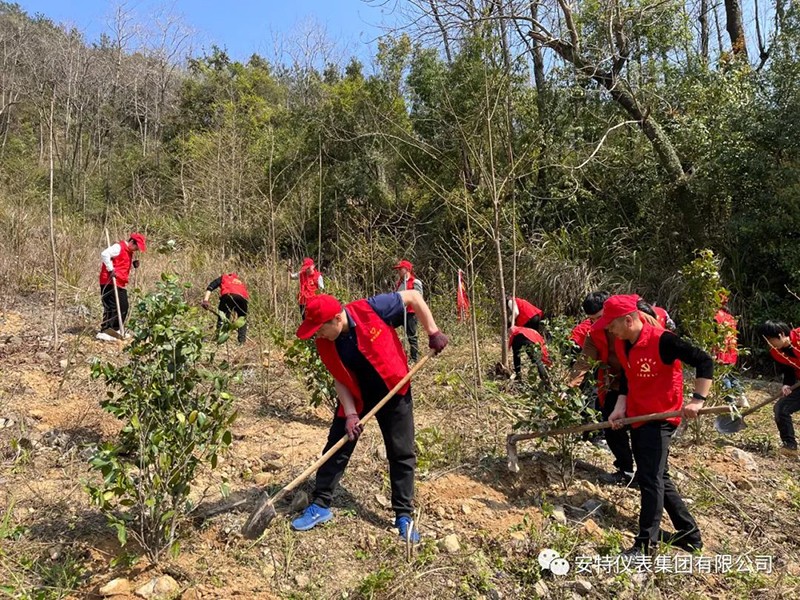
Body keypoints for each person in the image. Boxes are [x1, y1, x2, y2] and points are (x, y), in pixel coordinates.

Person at [291, 290, 449, 542]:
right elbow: (339, 378)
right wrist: (351, 415)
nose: (317, 335)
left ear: (336, 320)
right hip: (357, 394)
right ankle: (321, 504)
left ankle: (403, 516)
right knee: (337, 445)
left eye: (319, 329)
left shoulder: (371, 308)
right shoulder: (325, 341)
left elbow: (415, 297)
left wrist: (433, 331)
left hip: (394, 389)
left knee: (401, 451)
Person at [599, 294, 712, 555]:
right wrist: (619, 408)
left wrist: (697, 400)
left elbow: (704, 361)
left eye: (612, 325)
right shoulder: (625, 343)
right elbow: (628, 377)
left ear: (628, 320)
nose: (609, 329)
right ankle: (689, 534)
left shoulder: (663, 340)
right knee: (658, 475)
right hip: (638, 417)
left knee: (649, 478)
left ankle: (644, 545)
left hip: (659, 418)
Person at [758, 320, 800, 456]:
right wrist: (787, 385)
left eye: (771, 340)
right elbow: (789, 369)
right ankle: (790, 446)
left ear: (781, 335)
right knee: (781, 409)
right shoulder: (776, 352)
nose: (770, 344)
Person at [97, 233, 146, 341]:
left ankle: (116, 329)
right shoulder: (118, 247)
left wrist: (133, 264)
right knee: (112, 306)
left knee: (124, 306)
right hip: (109, 281)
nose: (137, 249)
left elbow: (121, 263)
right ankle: (105, 330)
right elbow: (104, 254)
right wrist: (110, 269)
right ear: (132, 242)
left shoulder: (129, 252)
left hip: (120, 282)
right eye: (137, 247)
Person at [714, 295, 748, 408]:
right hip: (731, 351)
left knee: (723, 377)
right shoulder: (730, 317)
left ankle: (730, 402)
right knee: (731, 375)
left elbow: (713, 335)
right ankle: (742, 396)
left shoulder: (715, 316)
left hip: (719, 351)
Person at [202, 273, 249, 344]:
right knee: (242, 318)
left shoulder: (224, 277)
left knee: (223, 317)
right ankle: (242, 341)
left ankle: (220, 339)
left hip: (228, 295)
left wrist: (205, 300)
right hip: (243, 298)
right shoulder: (239, 281)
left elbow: (211, 287)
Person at [392, 260, 424, 362]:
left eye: (400, 269)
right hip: (399, 312)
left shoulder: (415, 282)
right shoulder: (399, 283)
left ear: (407, 269)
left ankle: (414, 358)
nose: (399, 272)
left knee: (412, 336)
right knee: (388, 326)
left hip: (410, 313)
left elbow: (419, 297)